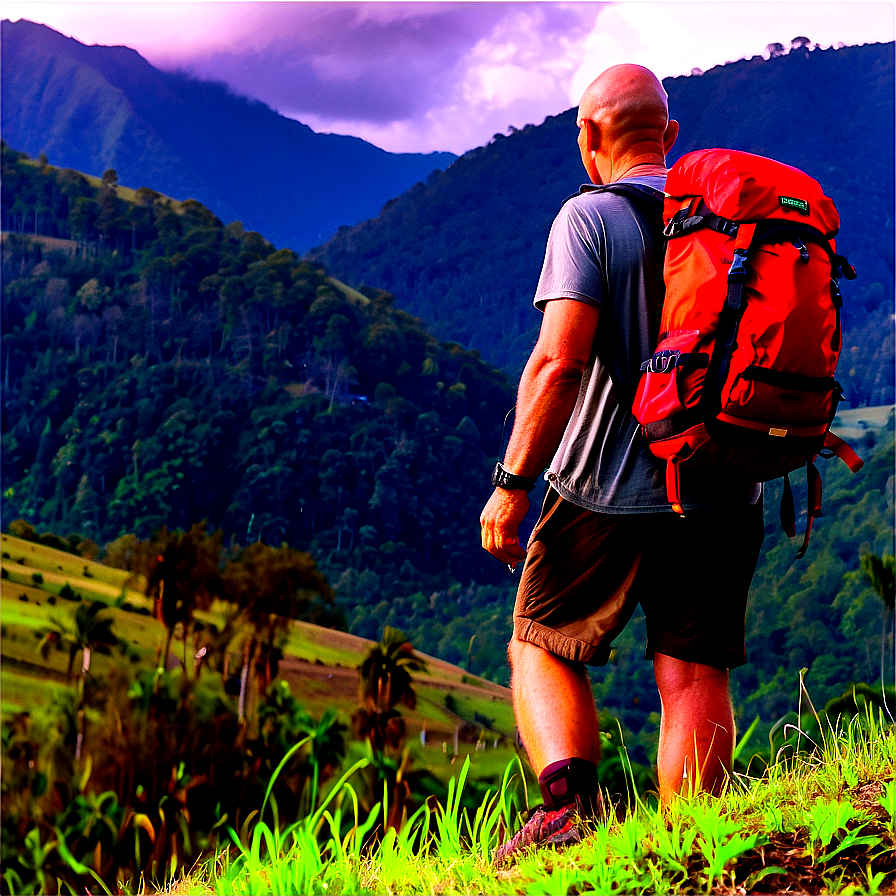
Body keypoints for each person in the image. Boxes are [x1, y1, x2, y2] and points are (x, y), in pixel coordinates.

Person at [480, 64, 764, 862]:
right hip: (724, 483)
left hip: (605, 487)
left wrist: (510, 486)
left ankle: (569, 813)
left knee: (539, 638)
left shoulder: (590, 218)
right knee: (694, 672)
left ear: (588, 138)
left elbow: (557, 364)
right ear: (669, 137)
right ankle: (691, 852)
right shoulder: (734, 220)